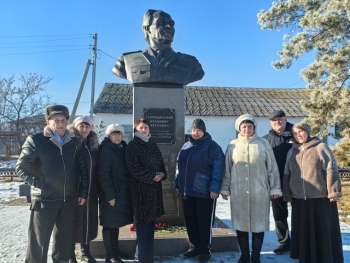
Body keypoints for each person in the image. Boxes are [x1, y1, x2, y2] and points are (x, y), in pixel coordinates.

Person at [16, 105, 88, 263]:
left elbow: (83, 169)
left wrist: (82, 192)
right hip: (44, 200)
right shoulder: (36, 140)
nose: (60, 123)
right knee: (39, 243)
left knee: (63, 244)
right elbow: (22, 167)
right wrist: (42, 183)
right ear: (48, 121)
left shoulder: (75, 142)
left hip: (68, 200)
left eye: (63, 120)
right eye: (56, 120)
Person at [220, 114, 282, 263]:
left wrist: (274, 188)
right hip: (239, 191)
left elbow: (272, 168)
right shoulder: (232, 145)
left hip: (259, 191)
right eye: (244, 126)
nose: (247, 129)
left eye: (249, 126)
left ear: (254, 128)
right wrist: (225, 188)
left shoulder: (263, 144)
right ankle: (245, 254)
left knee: (258, 225)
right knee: (241, 224)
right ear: (239, 129)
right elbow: (227, 168)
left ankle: (255, 256)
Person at [284, 123, 343, 263]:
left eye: (301, 132)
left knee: (322, 231)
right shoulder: (292, 152)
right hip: (299, 199)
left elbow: (331, 170)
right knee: (305, 232)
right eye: (295, 133)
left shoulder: (320, 147)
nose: (298, 135)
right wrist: (288, 194)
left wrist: (334, 191)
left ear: (307, 132)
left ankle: (325, 258)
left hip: (320, 198)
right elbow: (287, 175)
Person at [173, 119, 224, 263]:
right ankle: (194, 247)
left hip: (205, 192)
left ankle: (205, 250)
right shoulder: (186, 145)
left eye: (198, 130)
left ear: (204, 131)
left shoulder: (213, 147)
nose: (195, 133)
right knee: (190, 221)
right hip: (187, 191)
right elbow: (179, 165)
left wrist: (214, 188)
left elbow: (218, 169)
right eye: (194, 130)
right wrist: (177, 182)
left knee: (204, 222)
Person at [112, 9, 204, 85]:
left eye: (171, 23)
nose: (168, 26)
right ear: (147, 29)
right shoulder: (126, 61)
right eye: (161, 22)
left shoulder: (191, 63)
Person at [125, 118, 167, 263]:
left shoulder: (152, 144)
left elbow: (161, 163)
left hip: (154, 192)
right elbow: (133, 168)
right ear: (136, 129)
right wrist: (152, 176)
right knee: (143, 227)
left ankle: (148, 257)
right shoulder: (133, 145)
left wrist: (162, 174)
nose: (144, 130)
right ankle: (144, 258)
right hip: (141, 193)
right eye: (141, 127)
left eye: (146, 127)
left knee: (150, 226)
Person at [98, 124, 134, 263]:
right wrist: (110, 195)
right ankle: (110, 254)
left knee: (115, 223)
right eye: (114, 134)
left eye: (119, 134)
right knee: (109, 224)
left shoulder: (122, 148)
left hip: (121, 191)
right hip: (112, 192)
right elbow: (103, 174)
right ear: (109, 136)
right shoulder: (106, 150)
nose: (117, 136)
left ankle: (115, 250)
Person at [69, 116, 99, 263]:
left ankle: (85, 252)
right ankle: (70, 254)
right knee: (74, 222)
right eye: (81, 126)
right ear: (75, 127)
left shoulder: (92, 146)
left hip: (91, 192)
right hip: (75, 191)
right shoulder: (70, 143)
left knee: (87, 222)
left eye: (87, 126)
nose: (85, 129)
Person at [262, 109, 293, 254]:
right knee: (279, 215)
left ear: (285, 120)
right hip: (276, 184)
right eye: (274, 120)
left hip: (296, 182)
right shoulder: (265, 140)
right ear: (270, 123)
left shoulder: (296, 135)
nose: (277, 122)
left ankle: (301, 241)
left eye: (280, 119)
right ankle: (284, 243)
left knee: (300, 214)